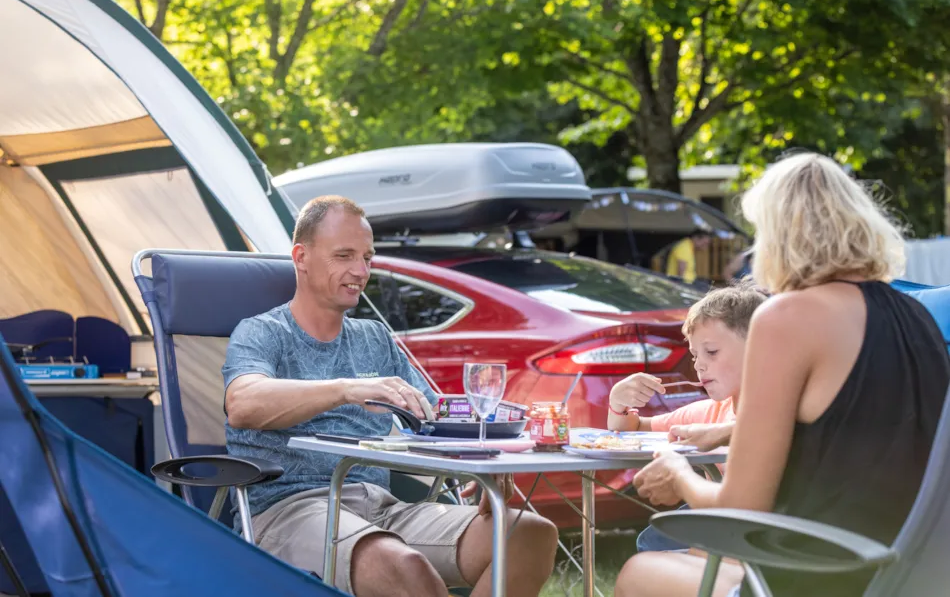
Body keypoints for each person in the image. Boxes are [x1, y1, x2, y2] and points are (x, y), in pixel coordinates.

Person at [617, 152, 950, 597]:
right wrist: (726, 432)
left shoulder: (788, 317)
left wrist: (677, 472)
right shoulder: (917, 318)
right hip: (908, 577)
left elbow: (741, 506)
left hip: (818, 574)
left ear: (777, 236)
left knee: (639, 572)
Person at [222, 195, 559, 597]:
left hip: (379, 508)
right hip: (288, 511)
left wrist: (489, 453)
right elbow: (242, 403)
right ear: (301, 257)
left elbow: (435, 414)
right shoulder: (263, 332)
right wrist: (345, 389)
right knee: (404, 568)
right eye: (344, 255)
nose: (360, 271)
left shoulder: (374, 338)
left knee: (527, 534)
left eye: (367, 258)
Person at [608, 280, 767, 553]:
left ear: (758, 348)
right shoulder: (710, 411)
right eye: (694, 355)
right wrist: (618, 402)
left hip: (759, 535)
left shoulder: (784, 410)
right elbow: (630, 429)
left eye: (711, 352)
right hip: (722, 527)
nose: (699, 365)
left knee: (655, 549)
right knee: (652, 541)